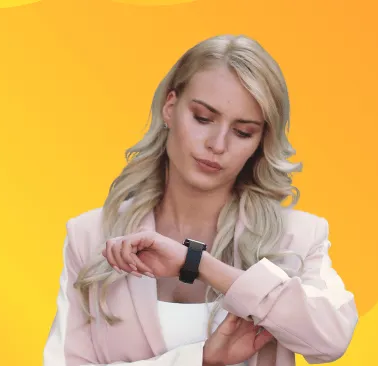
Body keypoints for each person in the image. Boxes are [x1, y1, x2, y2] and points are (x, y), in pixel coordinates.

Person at [42, 34, 358, 366]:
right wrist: (200, 359)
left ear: (260, 142)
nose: (217, 144)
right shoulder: (90, 236)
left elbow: (330, 341)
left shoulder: (297, 237)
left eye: (242, 132)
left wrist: (198, 264)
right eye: (203, 118)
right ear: (169, 107)